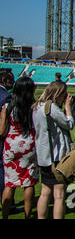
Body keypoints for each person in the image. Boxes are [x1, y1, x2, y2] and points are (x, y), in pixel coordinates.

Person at [32, 81, 74, 219]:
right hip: (56, 155)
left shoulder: (37, 106)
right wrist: (68, 108)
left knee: (45, 192)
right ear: (58, 94)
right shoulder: (52, 107)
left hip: (44, 155)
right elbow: (69, 124)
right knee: (59, 195)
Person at [0, 77, 39, 219]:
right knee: (29, 183)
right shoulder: (34, 107)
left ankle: (5, 215)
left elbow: (2, 131)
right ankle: (27, 216)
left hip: (11, 144)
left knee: (9, 183)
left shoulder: (8, 106)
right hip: (29, 144)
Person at [0, 68, 15, 204]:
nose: (13, 81)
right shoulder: (6, 96)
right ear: (4, 80)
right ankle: (7, 202)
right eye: (11, 79)